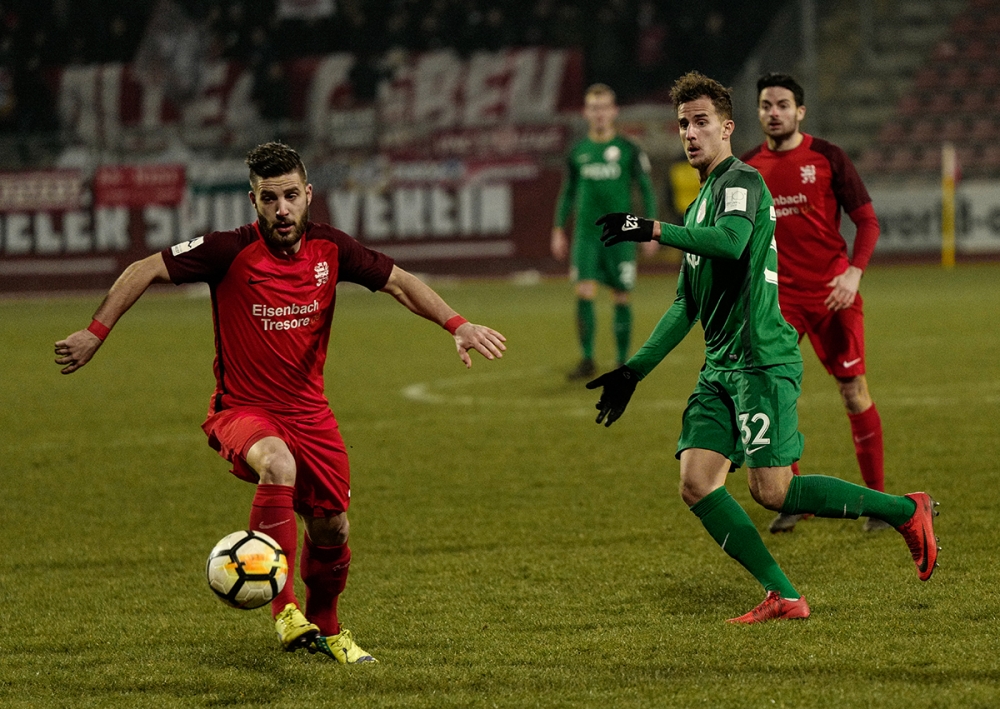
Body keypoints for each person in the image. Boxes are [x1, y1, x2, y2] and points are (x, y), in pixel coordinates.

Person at [54, 142, 507, 662]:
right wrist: (95, 332)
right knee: (277, 462)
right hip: (242, 409)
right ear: (254, 201)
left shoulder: (331, 249)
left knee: (332, 525)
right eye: (269, 199)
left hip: (310, 413)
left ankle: (327, 628)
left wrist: (457, 324)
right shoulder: (227, 250)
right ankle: (285, 609)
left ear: (308, 194)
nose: (282, 209)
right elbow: (144, 268)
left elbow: (399, 283)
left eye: (291, 196)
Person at [588, 72, 938, 624]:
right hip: (720, 367)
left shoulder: (742, 181)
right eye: (682, 124)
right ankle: (785, 595)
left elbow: (731, 243)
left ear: (727, 128)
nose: (690, 133)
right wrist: (633, 371)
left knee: (774, 491)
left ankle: (904, 510)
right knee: (696, 482)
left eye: (701, 121)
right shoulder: (700, 203)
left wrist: (653, 228)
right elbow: (685, 304)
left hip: (760, 360)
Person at [741, 73, 888, 534]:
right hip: (779, 301)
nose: (774, 113)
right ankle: (793, 497)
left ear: (800, 112)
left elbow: (867, 221)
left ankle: (879, 502)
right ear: (759, 111)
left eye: (783, 105)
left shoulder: (828, 157)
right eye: (767, 105)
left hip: (833, 296)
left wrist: (854, 272)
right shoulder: (746, 169)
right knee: (775, 393)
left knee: (853, 391)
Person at [551, 83, 658, 381]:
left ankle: (623, 361)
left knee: (621, 294)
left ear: (614, 111)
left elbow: (645, 189)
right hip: (586, 235)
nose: (599, 113)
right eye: (594, 108)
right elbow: (568, 192)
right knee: (584, 291)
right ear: (586, 112)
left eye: (604, 108)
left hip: (621, 234)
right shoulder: (578, 152)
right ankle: (587, 359)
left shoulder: (628, 149)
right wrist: (558, 228)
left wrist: (650, 228)